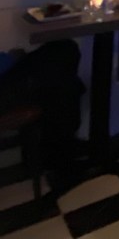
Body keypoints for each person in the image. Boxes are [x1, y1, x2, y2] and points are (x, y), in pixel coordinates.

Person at [0, 40, 87, 191]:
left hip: (7, 71)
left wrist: (10, 58)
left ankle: (57, 155)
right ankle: (61, 160)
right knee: (61, 85)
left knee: (66, 49)